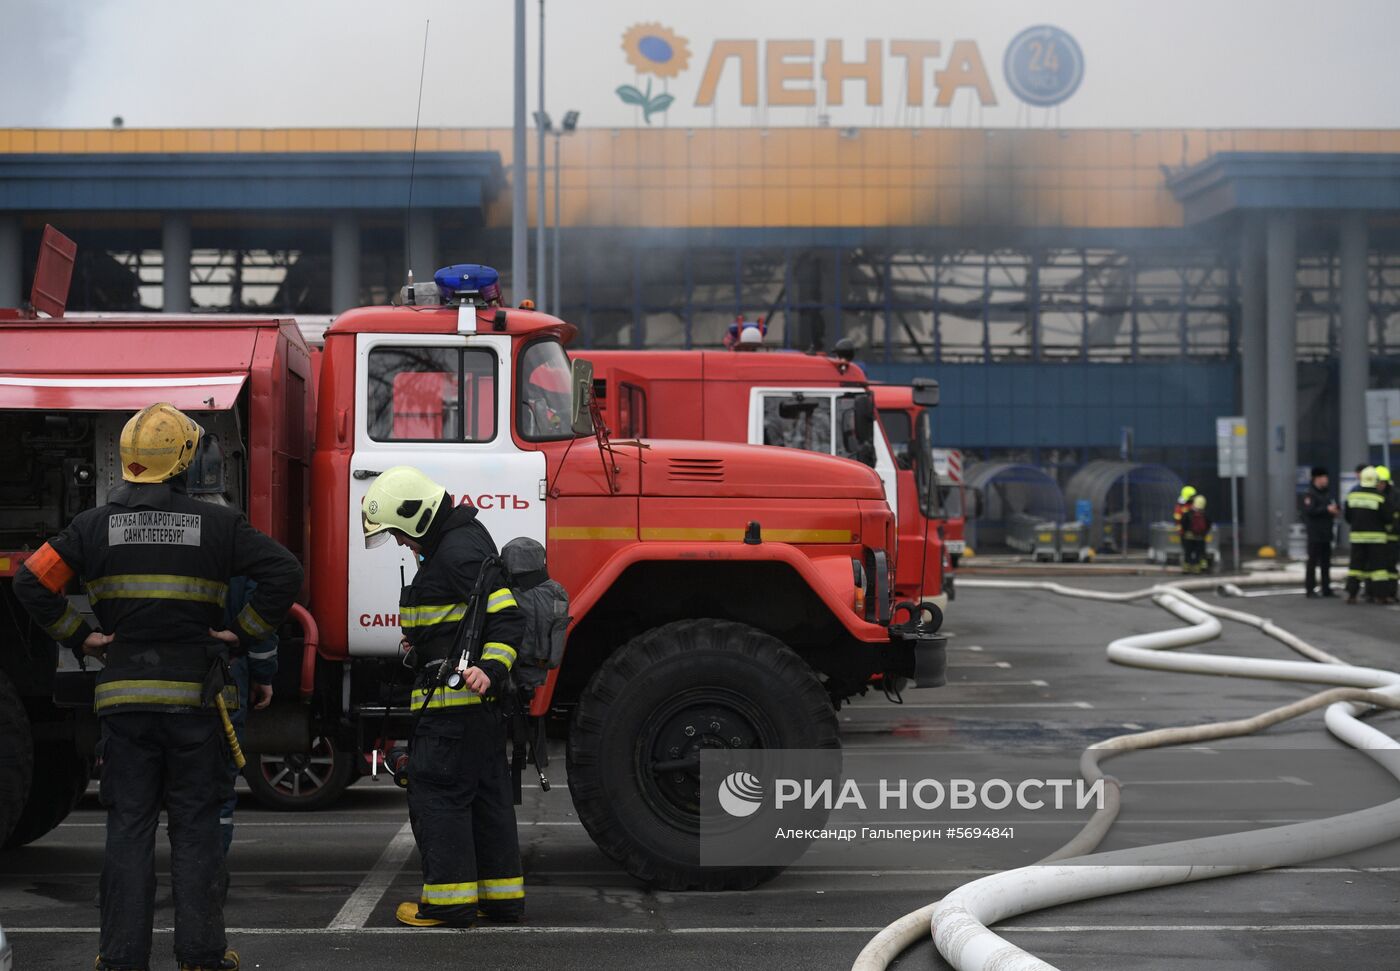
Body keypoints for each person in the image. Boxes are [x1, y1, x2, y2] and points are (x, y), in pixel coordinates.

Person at [12, 402, 302, 971]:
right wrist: (239, 635)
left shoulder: (90, 528)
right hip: (196, 703)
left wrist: (82, 636)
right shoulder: (218, 524)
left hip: (124, 704)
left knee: (128, 830)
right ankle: (199, 955)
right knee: (195, 829)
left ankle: (121, 958)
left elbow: (29, 581)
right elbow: (284, 572)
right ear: (184, 460)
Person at [361, 466, 526, 928]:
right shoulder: (464, 541)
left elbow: (507, 618)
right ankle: (501, 899)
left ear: (416, 517)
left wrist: (489, 668)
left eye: (398, 533)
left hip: (451, 712)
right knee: (486, 799)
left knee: (437, 797)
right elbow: (461, 619)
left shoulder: (455, 554)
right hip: (479, 714)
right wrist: (428, 645)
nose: (399, 543)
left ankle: (449, 902)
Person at [184, 434, 280, 861]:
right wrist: (264, 675)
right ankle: (208, 874)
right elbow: (264, 606)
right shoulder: (234, 532)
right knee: (219, 780)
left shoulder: (160, 531)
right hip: (225, 674)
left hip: (162, 672)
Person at [1344, 466, 1389, 605]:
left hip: (1357, 537)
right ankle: (1380, 597)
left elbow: (1348, 517)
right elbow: (1387, 517)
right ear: (1375, 480)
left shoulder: (1352, 496)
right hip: (1377, 539)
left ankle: (1352, 594)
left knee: (1355, 567)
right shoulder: (1380, 498)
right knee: (1379, 569)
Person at [1300, 466, 1340, 598]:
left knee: (1326, 562)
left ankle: (1326, 588)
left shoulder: (1326, 493)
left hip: (1326, 532)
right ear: (1317, 478)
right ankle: (1310, 589)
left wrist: (1334, 511)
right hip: (1315, 533)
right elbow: (1309, 511)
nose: (1326, 480)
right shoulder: (1310, 494)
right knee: (1312, 562)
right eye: (1324, 477)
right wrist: (1327, 510)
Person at [1376, 467, 1399, 605]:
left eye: (1382, 482)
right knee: (1376, 568)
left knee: (1391, 567)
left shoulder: (1395, 495)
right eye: (1378, 482)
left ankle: (1391, 593)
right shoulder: (1375, 494)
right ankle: (1375, 593)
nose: (1380, 485)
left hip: (1392, 538)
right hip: (1377, 537)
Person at [1179, 494, 1211, 574]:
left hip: (1188, 537)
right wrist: (1204, 533)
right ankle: (1196, 570)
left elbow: (1183, 523)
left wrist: (1184, 533)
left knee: (1188, 553)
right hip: (1200, 537)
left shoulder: (1188, 513)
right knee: (1198, 553)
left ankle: (1186, 569)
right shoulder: (1204, 515)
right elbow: (1208, 525)